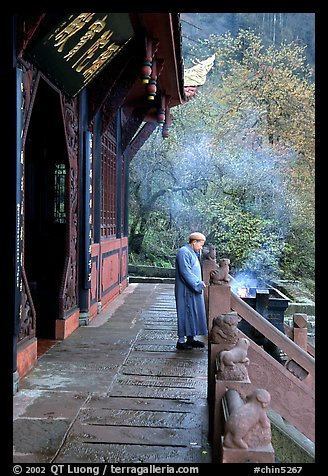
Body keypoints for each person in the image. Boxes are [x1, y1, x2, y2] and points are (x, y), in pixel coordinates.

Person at [175, 232, 208, 350]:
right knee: (185, 313)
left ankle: (191, 338)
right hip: (185, 289)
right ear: (194, 242)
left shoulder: (193, 252)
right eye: (200, 245)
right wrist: (198, 283)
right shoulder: (183, 252)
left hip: (192, 289)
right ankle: (181, 341)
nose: (201, 248)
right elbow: (185, 272)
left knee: (194, 313)